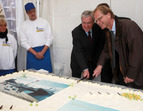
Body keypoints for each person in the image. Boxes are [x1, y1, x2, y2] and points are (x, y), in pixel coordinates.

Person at [93, 5, 143, 89]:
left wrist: (131, 74)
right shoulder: (109, 31)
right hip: (126, 74)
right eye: (96, 21)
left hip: (138, 76)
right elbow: (106, 50)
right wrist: (99, 66)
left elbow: (137, 52)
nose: (98, 22)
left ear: (108, 15)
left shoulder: (129, 26)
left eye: (99, 18)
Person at [71, 10, 112, 81]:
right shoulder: (76, 32)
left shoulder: (98, 28)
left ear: (93, 22)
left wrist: (99, 64)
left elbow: (100, 48)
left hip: (91, 61)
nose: (86, 26)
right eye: (84, 23)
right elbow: (78, 52)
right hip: (78, 61)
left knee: (89, 82)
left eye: (89, 23)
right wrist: (85, 68)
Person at [20, 3, 53, 72]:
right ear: (26, 13)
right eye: (30, 12)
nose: (32, 13)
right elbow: (23, 42)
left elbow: (50, 38)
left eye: (33, 11)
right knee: (32, 76)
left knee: (47, 76)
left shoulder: (44, 22)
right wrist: (36, 53)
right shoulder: (24, 25)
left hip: (44, 52)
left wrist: (42, 52)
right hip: (32, 53)